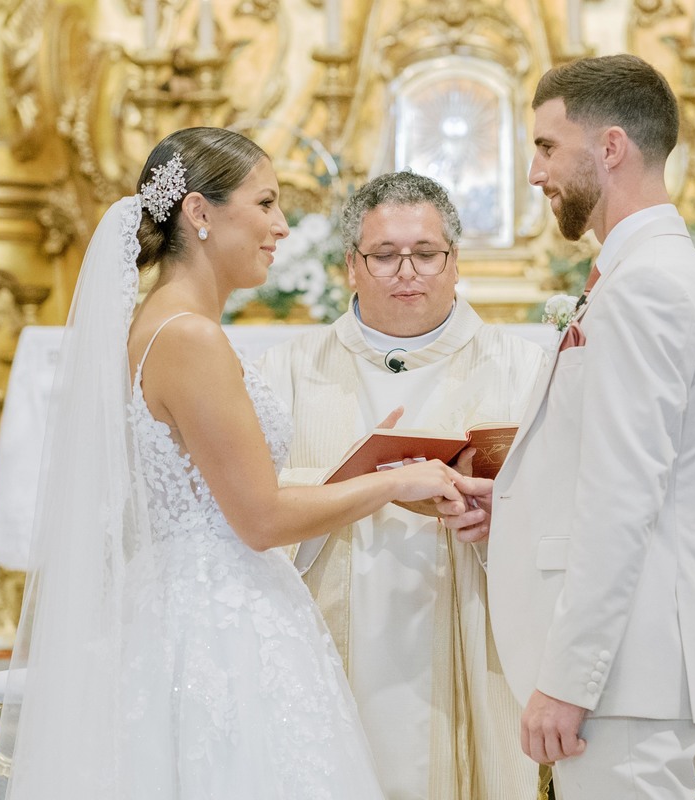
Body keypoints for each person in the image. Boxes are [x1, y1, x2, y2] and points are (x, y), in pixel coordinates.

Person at [0, 128, 465, 800]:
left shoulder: (161, 324)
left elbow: (224, 493)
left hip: (187, 603)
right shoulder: (189, 338)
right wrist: (396, 481)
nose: (281, 225)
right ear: (199, 213)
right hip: (220, 629)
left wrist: (360, 472)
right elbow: (261, 518)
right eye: (266, 203)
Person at [438, 54, 695, 799]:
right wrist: (508, 504)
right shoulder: (641, 275)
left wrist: (568, 682)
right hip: (627, 677)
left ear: (609, 148)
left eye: (545, 147)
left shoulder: (649, 289)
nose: (534, 175)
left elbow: (624, 497)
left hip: (623, 683)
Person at [256, 171, 544, 799]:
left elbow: (572, 502)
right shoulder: (289, 372)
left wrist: (507, 518)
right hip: (329, 639)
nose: (406, 270)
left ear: (455, 261)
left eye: (425, 254)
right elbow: (250, 503)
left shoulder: (524, 368)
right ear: (351, 267)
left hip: (472, 624)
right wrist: (366, 479)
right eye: (385, 256)